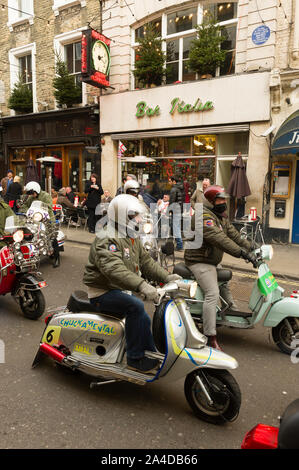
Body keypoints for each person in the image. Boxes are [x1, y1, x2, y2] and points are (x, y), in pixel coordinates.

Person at [83, 194, 181, 373]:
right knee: (135, 306)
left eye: (138, 215)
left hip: (118, 289)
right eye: (133, 216)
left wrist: (167, 277)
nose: (138, 219)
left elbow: (147, 262)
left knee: (141, 314)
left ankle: (149, 352)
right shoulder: (107, 237)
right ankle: (135, 359)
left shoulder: (130, 236)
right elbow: (114, 269)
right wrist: (142, 285)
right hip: (102, 291)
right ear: (121, 216)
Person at [184, 184, 256, 351]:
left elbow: (233, 234)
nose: (224, 201)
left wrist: (250, 246)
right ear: (211, 200)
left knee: (225, 283)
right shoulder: (203, 217)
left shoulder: (220, 216)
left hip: (211, 260)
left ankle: (230, 310)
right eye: (220, 199)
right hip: (199, 261)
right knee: (212, 293)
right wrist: (242, 253)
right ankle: (210, 336)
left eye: (224, 198)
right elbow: (219, 239)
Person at [23, 182, 60, 267]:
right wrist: (26, 210)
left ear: (37, 190)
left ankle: (57, 258)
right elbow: (25, 206)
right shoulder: (31, 197)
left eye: (33, 193)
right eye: (31, 193)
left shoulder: (46, 196)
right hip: (35, 219)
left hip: (48, 219)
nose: (32, 195)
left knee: (52, 236)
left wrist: (41, 207)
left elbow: (50, 206)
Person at [169, 175, 184, 251]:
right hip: (180, 210)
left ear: (174, 181)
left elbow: (172, 201)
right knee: (176, 227)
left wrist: (169, 210)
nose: (169, 183)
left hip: (175, 211)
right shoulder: (181, 188)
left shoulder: (174, 189)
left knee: (176, 228)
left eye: (170, 181)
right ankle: (179, 244)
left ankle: (180, 245)